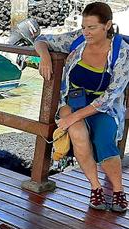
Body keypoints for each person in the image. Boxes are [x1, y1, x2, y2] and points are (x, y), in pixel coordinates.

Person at [34, 2, 129, 212]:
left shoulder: (121, 52)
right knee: (77, 133)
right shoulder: (77, 40)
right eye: (84, 26)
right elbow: (40, 40)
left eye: (92, 27)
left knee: (105, 140)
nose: (86, 32)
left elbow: (110, 96)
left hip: (105, 107)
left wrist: (71, 119)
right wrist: (45, 57)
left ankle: (119, 191)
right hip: (73, 101)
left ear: (107, 25)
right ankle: (95, 188)